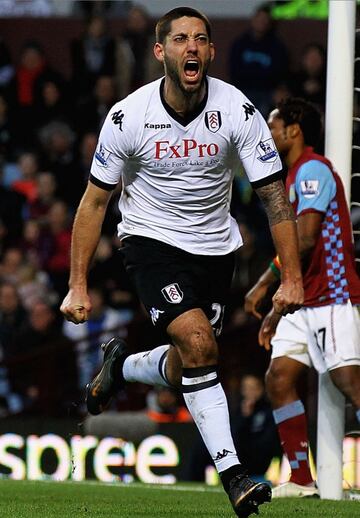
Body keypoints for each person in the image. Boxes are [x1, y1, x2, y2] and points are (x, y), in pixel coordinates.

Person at [61, 7, 303, 517]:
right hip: (150, 241)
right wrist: (77, 284)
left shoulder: (237, 110)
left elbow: (274, 197)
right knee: (198, 342)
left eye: (200, 39)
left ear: (212, 52)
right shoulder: (128, 116)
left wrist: (293, 276)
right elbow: (94, 203)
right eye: (179, 39)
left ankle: (122, 366)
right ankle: (235, 476)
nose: (190, 47)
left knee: (193, 361)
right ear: (160, 52)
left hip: (215, 249)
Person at [244, 97, 360, 498]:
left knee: (349, 382)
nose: (269, 133)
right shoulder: (292, 176)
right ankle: (300, 477)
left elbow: (306, 239)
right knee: (278, 378)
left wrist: (268, 290)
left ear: (294, 129)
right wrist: (271, 295)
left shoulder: (312, 169)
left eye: (274, 125)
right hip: (303, 298)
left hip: (330, 294)